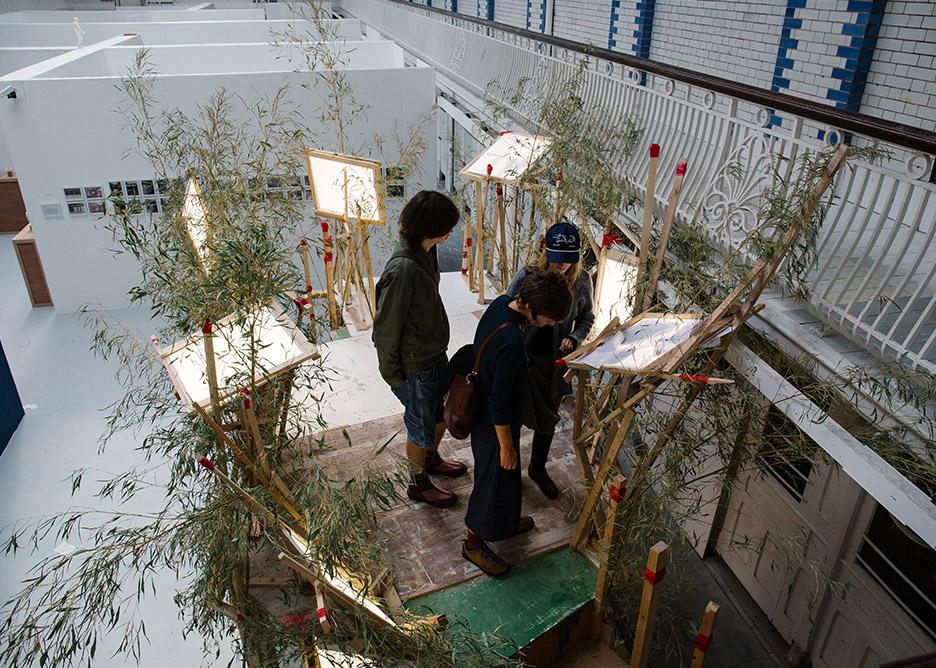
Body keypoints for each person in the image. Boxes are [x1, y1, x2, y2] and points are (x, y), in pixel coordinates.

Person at [462, 270, 574, 576]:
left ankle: (506, 523)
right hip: (491, 422)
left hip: (497, 413)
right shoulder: (511, 340)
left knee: (508, 479)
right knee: (490, 482)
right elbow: (498, 403)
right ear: (532, 308)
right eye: (549, 319)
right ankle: (473, 543)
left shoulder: (503, 302)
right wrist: (506, 446)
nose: (550, 325)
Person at [373, 191, 466, 508]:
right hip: (415, 367)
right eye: (446, 227)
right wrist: (395, 378)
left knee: (437, 415)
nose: (450, 233)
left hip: (434, 355)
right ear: (431, 229)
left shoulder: (427, 251)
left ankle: (431, 459)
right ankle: (418, 483)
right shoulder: (402, 271)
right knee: (419, 427)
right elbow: (385, 331)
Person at [507, 222, 595, 499]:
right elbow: (507, 308)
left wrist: (575, 338)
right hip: (523, 358)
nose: (563, 265)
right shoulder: (528, 275)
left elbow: (586, 318)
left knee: (548, 419)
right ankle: (509, 470)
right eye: (558, 259)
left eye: (569, 260)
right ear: (546, 252)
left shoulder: (582, 281)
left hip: (555, 364)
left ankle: (537, 468)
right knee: (513, 414)